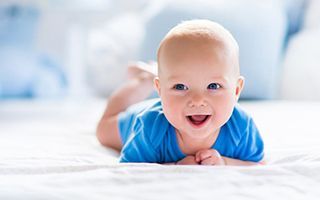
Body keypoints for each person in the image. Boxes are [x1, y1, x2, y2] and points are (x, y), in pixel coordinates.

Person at [96, 19, 264, 165]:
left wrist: (225, 162)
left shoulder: (242, 127)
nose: (198, 100)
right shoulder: (149, 127)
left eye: (213, 86)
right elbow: (131, 169)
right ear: (160, 90)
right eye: (180, 87)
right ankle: (144, 80)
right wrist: (175, 165)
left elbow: (256, 164)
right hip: (134, 120)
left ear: (236, 90)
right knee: (103, 131)